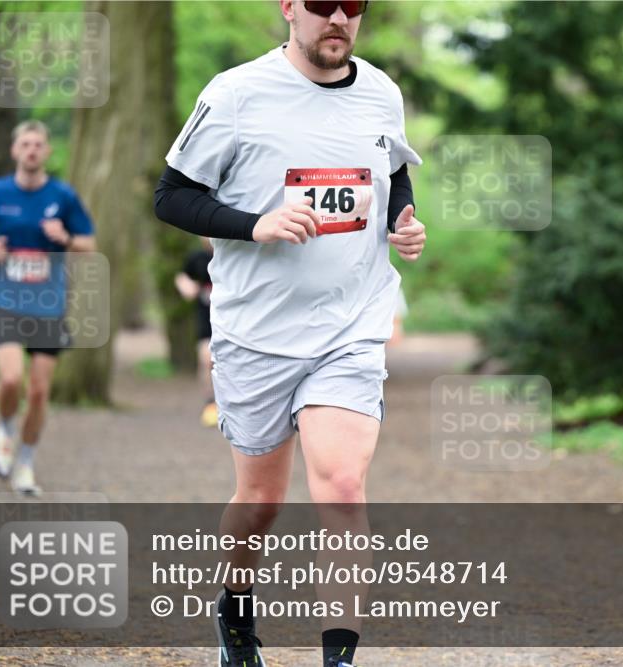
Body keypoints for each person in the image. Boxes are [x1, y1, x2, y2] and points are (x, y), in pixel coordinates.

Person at [153, 2, 426, 666]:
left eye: (352, 5)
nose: (338, 16)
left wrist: (404, 220)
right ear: (288, 8)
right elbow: (171, 196)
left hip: (349, 327)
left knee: (340, 485)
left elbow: (390, 175)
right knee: (260, 500)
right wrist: (256, 223)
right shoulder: (237, 94)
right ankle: (236, 612)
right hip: (256, 332)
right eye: (321, 3)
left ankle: (339, 658)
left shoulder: (382, 94)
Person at [0, 120, 96, 495]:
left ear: (47, 152)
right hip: (5, 300)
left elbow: (89, 243)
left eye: (39, 144)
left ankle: (25, 463)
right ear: (14, 150)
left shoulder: (63, 196)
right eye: (26, 144)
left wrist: (66, 238)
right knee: (9, 380)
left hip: (48, 306)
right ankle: (4, 431)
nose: (32, 150)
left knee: (38, 392)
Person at [174, 238, 218, 427]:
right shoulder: (197, 259)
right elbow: (181, 276)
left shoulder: (237, 253)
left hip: (236, 321)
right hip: (206, 321)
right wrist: (185, 285)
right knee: (206, 359)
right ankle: (210, 404)